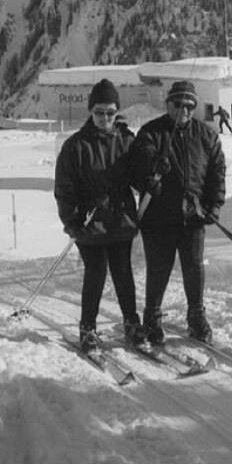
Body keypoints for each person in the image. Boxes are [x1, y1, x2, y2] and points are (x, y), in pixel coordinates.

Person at [123, 79, 227, 347]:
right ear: (168, 104)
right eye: (178, 104)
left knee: (194, 268)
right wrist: (152, 168)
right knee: (159, 269)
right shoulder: (151, 132)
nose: (184, 110)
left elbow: (217, 172)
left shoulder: (206, 136)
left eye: (189, 105)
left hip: (193, 216)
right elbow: (137, 166)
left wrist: (214, 205)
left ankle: (196, 317)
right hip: (158, 217)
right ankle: (152, 317)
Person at [51, 80, 141, 354]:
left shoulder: (127, 141)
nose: (105, 118)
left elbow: (139, 178)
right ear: (90, 112)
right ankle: (88, 328)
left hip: (120, 218)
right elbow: (64, 189)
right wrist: (72, 221)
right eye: (99, 112)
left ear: (117, 113)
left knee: (123, 272)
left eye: (110, 113)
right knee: (96, 271)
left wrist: (152, 175)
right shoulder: (76, 146)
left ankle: (131, 323)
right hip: (89, 223)